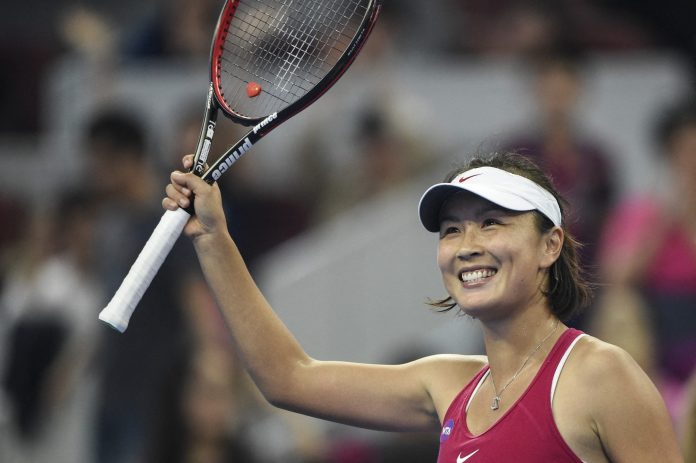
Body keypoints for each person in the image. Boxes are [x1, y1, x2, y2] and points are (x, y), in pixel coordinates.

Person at [162, 150, 682, 461]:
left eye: (491, 223)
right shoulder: (446, 383)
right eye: (452, 230)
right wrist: (214, 239)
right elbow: (287, 378)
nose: (467, 245)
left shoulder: (600, 375)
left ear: (550, 245)